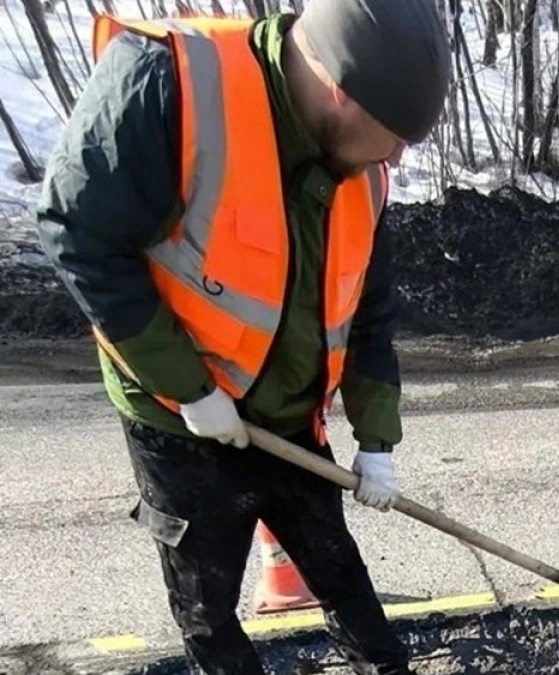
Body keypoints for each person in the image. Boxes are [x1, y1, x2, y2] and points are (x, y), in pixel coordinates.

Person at [34, 0, 451, 672]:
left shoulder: (360, 167)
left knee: (338, 570)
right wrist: (188, 387)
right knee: (210, 607)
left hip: (287, 415)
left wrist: (377, 441)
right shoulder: (170, 82)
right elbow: (76, 231)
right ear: (339, 90)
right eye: (395, 134)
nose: (399, 157)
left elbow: (368, 307)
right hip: (180, 419)